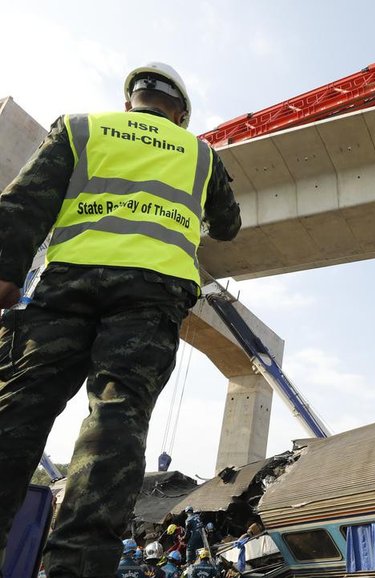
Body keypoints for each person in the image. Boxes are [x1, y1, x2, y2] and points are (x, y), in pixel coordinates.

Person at [0, 61, 241, 577]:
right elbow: (229, 224)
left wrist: (5, 271)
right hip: (150, 297)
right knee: (115, 420)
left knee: (17, 412)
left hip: (67, 285)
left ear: (131, 99)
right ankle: (79, 567)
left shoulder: (81, 128)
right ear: (180, 113)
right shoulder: (201, 155)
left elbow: (23, 203)